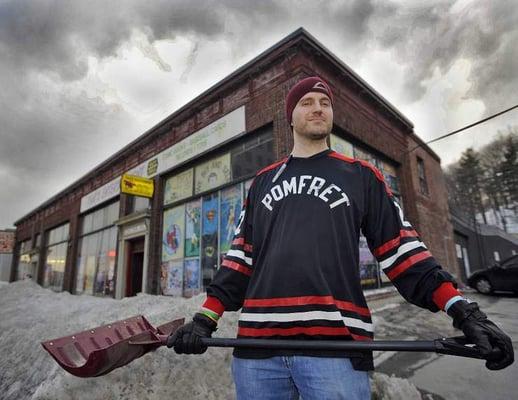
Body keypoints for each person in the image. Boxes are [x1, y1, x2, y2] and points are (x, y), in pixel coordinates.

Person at [168, 76, 514, 399]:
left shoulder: (361, 176)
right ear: (290, 116)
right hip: (258, 352)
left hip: (336, 351)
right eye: (306, 102)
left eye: (325, 102)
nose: (318, 107)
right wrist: (204, 319)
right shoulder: (262, 182)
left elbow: (403, 251)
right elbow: (240, 259)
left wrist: (463, 311)